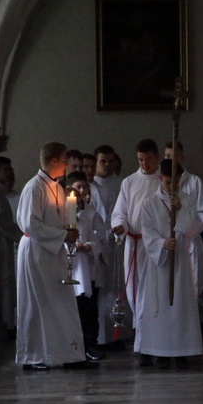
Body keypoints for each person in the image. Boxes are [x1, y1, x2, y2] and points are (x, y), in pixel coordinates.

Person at [15, 142, 95, 370]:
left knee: (61, 303)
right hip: (37, 253)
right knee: (38, 303)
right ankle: (34, 356)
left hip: (54, 252)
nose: (67, 165)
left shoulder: (57, 186)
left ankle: (69, 355)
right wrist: (63, 234)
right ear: (52, 161)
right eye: (63, 160)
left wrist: (69, 230)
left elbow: (59, 218)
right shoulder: (34, 187)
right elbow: (29, 223)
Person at [136, 159, 203, 369]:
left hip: (181, 261)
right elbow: (147, 232)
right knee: (161, 307)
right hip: (160, 263)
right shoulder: (149, 203)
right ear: (160, 179)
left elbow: (194, 227)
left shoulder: (188, 200)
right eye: (167, 183)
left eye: (175, 183)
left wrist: (181, 210)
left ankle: (182, 351)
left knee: (180, 306)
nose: (171, 187)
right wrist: (162, 243)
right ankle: (160, 352)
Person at [111, 139, 161, 342]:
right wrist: (121, 226)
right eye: (140, 160)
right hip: (134, 243)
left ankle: (153, 338)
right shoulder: (129, 182)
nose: (144, 164)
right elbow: (120, 212)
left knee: (153, 292)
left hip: (156, 245)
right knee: (133, 292)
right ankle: (141, 337)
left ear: (156, 157)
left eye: (148, 159)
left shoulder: (163, 181)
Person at [163, 141, 203, 310]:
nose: (171, 160)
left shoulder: (194, 182)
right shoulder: (160, 182)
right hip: (167, 242)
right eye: (168, 156)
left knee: (192, 287)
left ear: (182, 158)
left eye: (174, 156)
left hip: (189, 240)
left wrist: (188, 230)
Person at [91, 145, 128, 347]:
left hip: (118, 243)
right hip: (97, 244)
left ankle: (118, 335)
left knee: (118, 286)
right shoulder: (89, 186)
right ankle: (101, 337)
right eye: (102, 161)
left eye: (110, 161)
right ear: (96, 163)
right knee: (100, 290)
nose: (107, 165)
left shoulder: (123, 184)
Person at [63, 180, 104, 361]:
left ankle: (90, 344)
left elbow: (100, 235)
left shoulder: (91, 214)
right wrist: (69, 246)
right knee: (70, 307)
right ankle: (70, 346)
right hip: (67, 265)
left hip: (86, 266)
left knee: (88, 307)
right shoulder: (60, 216)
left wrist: (89, 245)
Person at [0, 156, 22, 339]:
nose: (10, 173)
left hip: (16, 245)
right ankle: (6, 324)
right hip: (4, 245)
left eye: (11, 169)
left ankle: (13, 322)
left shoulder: (19, 196)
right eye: (5, 169)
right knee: (5, 285)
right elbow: (2, 221)